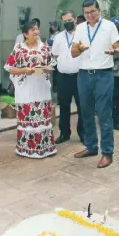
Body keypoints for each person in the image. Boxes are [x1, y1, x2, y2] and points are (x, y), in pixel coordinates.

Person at [70, 0, 119, 168]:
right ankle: (91, 147)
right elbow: (73, 53)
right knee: (85, 113)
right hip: (84, 75)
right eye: (86, 13)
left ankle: (107, 153)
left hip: (103, 76)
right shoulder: (80, 28)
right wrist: (79, 48)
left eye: (93, 11)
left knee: (104, 115)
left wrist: (114, 51)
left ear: (99, 10)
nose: (90, 15)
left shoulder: (109, 26)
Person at [4, 21, 57, 159]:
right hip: (25, 90)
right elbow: (10, 68)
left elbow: (52, 65)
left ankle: (45, 148)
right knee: (28, 120)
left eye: (37, 29)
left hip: (41, 89)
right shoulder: (19, 49)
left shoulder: (45, 48)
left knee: (42, 120)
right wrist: (24, 70)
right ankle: (27, 149)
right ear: (25, 34)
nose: (36, 32)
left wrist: (46, 68)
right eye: (32, 30)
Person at [51, 10, 85, 144]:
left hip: (79, 76)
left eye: (69, 20)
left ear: (75, 19)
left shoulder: (82, 35)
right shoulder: (58, 37)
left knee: (82, 106)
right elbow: (54, 53)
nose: (67, 23)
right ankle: (64, 133)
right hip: (63, 77)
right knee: (64, 106)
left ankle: (83, 133)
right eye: (64, 21)